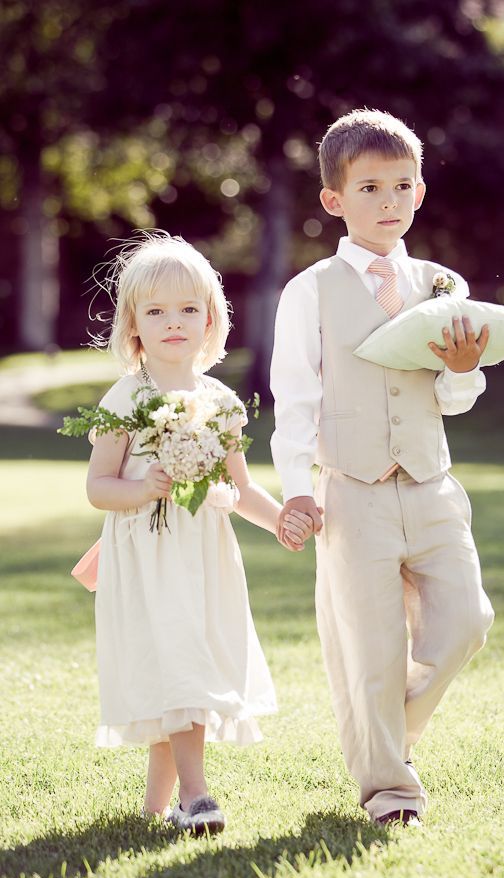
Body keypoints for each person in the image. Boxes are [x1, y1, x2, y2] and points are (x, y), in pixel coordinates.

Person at [270, 109, 495, 826]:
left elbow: (456, 399)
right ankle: (390, 794)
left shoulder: (442, 286)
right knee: (371, 651)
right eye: (369, 188)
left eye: (402, 185)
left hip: (432, 485)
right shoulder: (310, 292)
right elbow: (295, 402)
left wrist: (463, 370)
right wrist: (298, 494)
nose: (388, 201)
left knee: (467, 622)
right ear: (335, 200)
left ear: (421, 192)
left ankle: (390, 732)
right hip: (352, 496)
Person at [85, 231, 312, 834]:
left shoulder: (218, 400)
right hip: (148, 556)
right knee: (178, 664)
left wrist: (282, 519)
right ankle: (197, 795)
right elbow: (99, 487)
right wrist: (146, 488)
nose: (173, 322)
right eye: (155, 311)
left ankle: (155, 809)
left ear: (210, 317)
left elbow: (239, 490)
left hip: (205, 557)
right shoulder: (126, 398)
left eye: (188, 309)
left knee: (185, 668)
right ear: (133, 323)